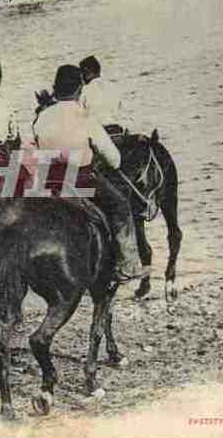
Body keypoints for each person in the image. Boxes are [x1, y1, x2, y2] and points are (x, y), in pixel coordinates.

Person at [33, 65, 142, 282]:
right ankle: (127, 266)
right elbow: (114, 159)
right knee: (121, 207)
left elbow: (36, 150)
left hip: (49, 181)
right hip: (81, 180)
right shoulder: (85, 117)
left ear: (55, 89)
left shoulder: (42, 118)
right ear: (79, 90)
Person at [79, 55, 127, 135]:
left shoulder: (85, 90)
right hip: (117, 129)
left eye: (82, 73)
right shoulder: (113, 87)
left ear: (86, 72)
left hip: (99, 133)